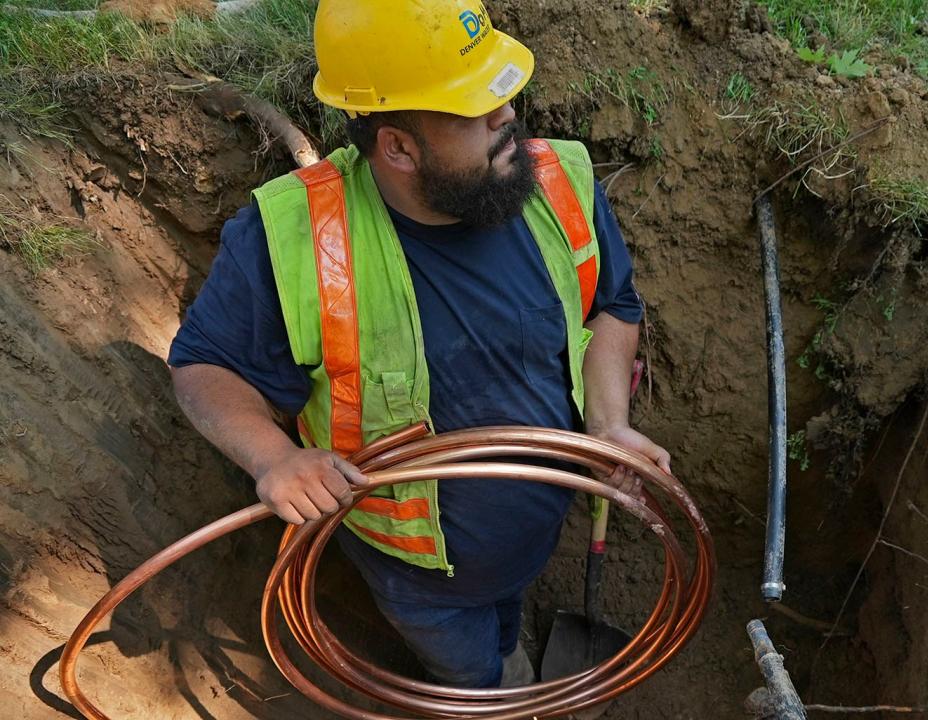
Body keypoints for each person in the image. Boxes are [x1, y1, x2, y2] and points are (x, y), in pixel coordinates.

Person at [167, 0, 669, 689]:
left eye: (501, 95)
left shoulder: (557, 183)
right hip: (418, 579)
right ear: (398, 147)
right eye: (475, 111)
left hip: (536, 528)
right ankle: (493, 686)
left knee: (502, 617)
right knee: (475, 679)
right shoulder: (292, 241)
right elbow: (205, 366)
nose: (508, 118)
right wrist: (275, 457)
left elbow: (613, 306)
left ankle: (507, 651)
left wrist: (610, 423)